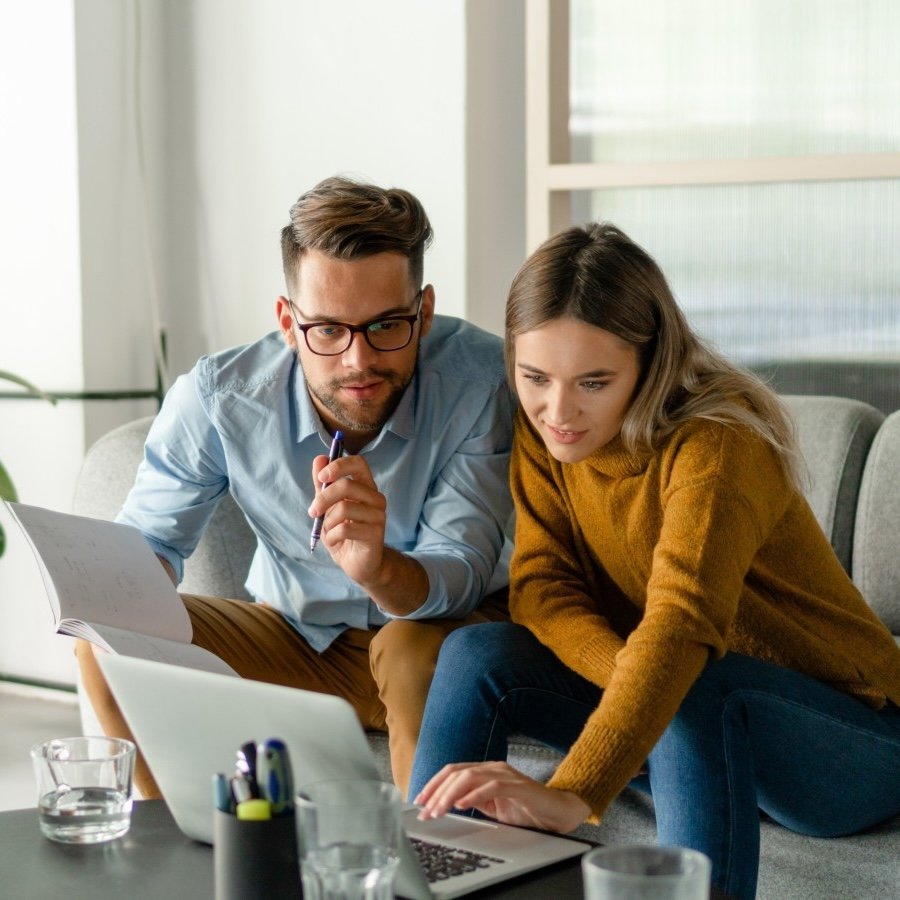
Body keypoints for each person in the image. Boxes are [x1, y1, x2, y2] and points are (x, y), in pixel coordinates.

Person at [408, 222, 900, 899]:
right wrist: (633, 684)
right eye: (535, 377)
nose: (559, 411)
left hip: (851, 741)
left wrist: (575, 790)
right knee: (478, 653)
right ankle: (424, 880)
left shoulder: (716, 443)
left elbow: (680, 625)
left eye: (594, 381)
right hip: (687, 714)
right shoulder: (548, 434)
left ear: (651, 363)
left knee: (690, 677)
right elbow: (544, 588)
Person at [76, 175, 513, 800]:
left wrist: (378, 566)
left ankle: (433, 868)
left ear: (424, 312)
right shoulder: (219, 398)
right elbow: (145, 545)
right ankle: (166, 852)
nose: (358, 361)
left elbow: (462, 569)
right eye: (328, 331)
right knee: (104, 643)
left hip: (438, 634)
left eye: (388, 326)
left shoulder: (479, 382)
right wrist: (108, 585)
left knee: (410, 651)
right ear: (287, 320)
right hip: (296, 637)